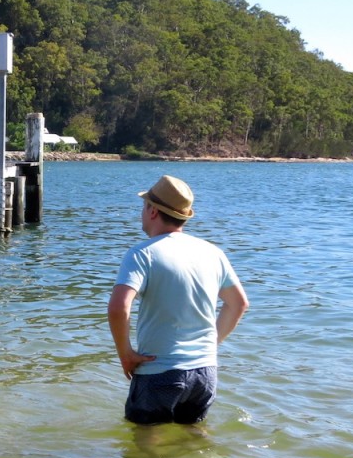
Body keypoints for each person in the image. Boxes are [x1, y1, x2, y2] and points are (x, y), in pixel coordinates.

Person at [107, 175, 249, 426]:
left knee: (146, 447)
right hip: (204, 373)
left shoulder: (142, 253)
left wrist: (125, 354)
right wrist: (211, 343)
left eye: (144, 206)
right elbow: (238, 304)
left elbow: (119, 307)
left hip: (158, 373)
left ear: (152, 211)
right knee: (194, 439)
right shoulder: (212, 252)